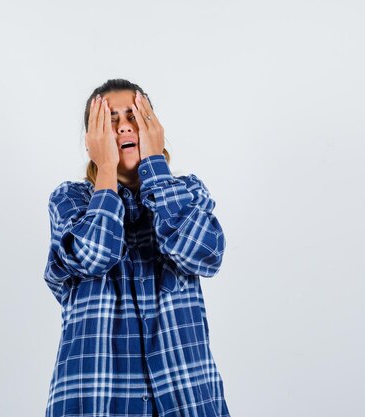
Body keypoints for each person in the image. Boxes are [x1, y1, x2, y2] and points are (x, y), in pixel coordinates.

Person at [43, 78, 231, 417]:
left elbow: (205, 254)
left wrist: (156, 169)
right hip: (96, 402)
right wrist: (106, 170)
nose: (124, 127)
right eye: (109, 121)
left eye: (134, 116)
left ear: (153, 127)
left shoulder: (188, 193)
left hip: (186, 399)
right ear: (92, 141)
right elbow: (93, 255)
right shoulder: (70, 201)